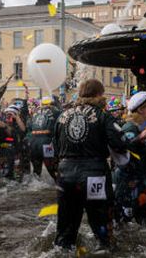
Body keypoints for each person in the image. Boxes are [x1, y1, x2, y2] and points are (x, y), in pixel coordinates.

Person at [53, 79, 128, 251]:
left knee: (64, 232)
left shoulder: (63, 116)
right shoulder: (103, 115)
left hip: (65, 176)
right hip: (94, 176)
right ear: (99, 95)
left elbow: (55, 146)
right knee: (102, 230)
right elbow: (119, 143)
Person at [113, 91, 146, 239]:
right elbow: (122, 150)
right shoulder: (130, 128)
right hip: (128, 183)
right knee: (122, 223)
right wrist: (141, 136)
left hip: (141, 181)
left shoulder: (141, 126)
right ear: (140, 109)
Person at [28, 96, 60, 180]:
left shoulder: (35, 112)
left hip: (33, 143)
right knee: (53, 170)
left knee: (36, 172)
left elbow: (29, 126)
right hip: (47, 143)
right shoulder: (55, 111)